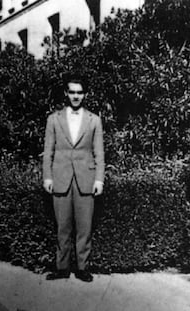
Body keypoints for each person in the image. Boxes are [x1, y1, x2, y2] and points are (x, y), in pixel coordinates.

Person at [42, 74, 105, 282]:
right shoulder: (54, 119)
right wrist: (48, 177)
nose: (76, 96)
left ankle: (82, 268)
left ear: (84, 94)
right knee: (62, 226)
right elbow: (48, 151)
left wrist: (99, 180)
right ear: (66, 93)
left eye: (79, 93)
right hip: (60, 178)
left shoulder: (94, 120)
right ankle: (61, 268)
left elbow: (99, 153)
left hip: (85, 179)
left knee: (84, 227)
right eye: (72, 92)